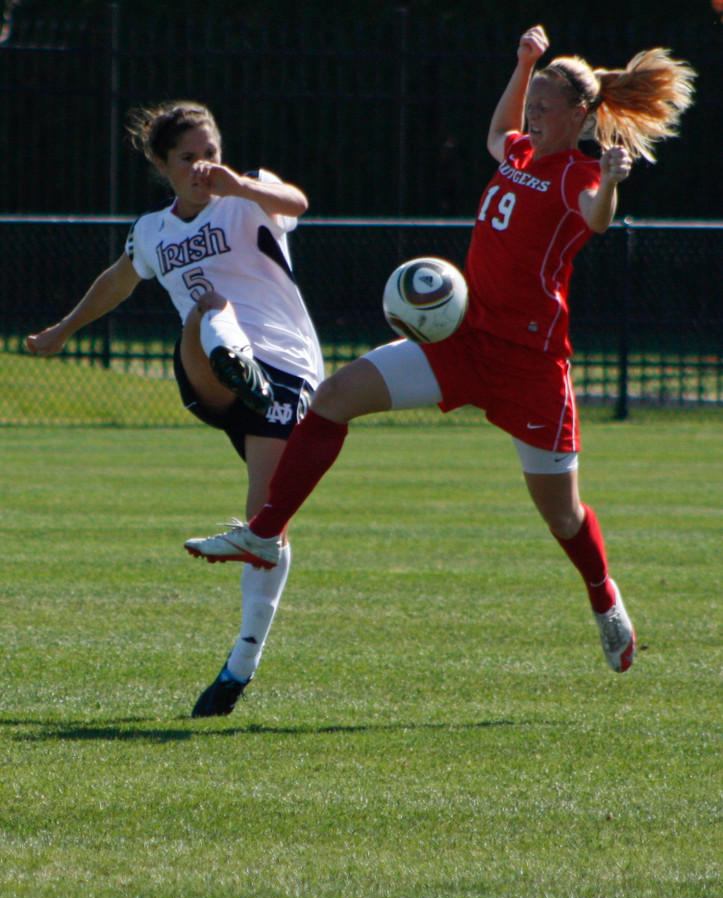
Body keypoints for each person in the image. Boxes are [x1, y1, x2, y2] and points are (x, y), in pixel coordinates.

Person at [187, 26, 698, 684]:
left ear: (578, 117)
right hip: (462, 338)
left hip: (529, 366)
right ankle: (264, 530)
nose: (532, 115)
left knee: (562, 513)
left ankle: (603, 595)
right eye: (532, 105)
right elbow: (496, 130)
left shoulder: (575, 170)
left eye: (544, 107)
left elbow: (595, 217)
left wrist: (607, 180)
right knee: (334, 396)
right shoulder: (516, 152)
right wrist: (523, 65)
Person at [25, 101, 324, 717]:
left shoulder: (246, 197)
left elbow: (296, 203)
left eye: (210, 152)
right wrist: (62, 330)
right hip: (212, 370)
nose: (202, 166)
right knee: (205, 305)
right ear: (162, 166)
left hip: (287, 368)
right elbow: (117, 278)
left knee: (265, 529)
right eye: (187, 158)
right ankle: (231, 360)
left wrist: (240, 183)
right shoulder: (154, 230)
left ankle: (238, 668)